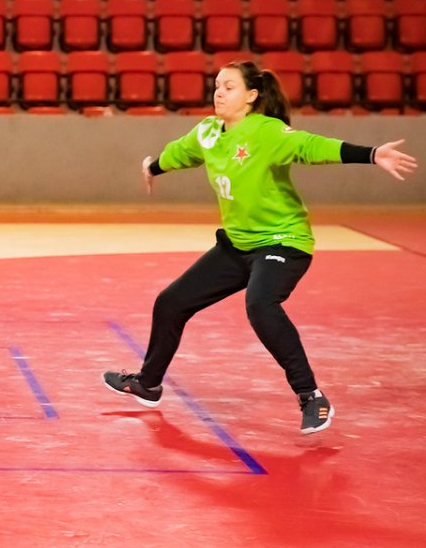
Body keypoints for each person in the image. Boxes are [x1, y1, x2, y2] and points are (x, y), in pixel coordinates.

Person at [103, 60, 418, 434]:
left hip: (283, 242)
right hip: (238, 245)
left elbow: (311, 146)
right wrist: (153, 168)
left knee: (260, 304)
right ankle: (148, 384)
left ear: (251, 95)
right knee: (171, 302)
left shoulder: (266, 131)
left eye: (229, 87)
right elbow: (180, 153)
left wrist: (372, 154)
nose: (219, 93)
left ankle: (311, 397)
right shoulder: (207, 132)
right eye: (217, 85)